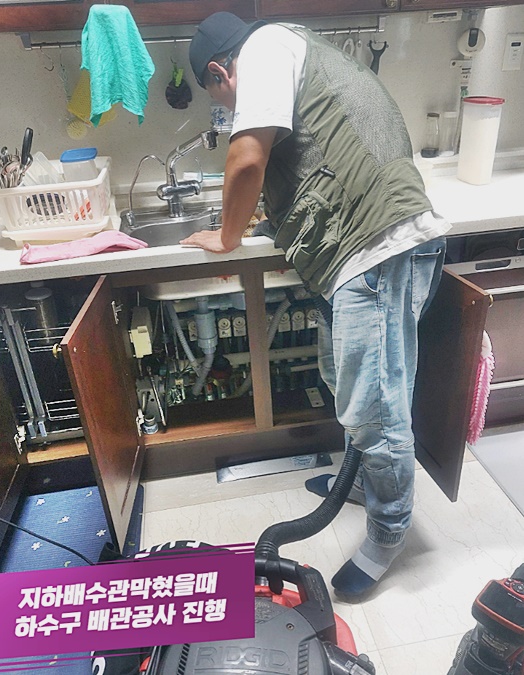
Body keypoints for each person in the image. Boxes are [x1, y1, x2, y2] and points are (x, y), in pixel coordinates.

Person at [183, 12, 450, 599]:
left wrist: (227, 236)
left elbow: (247, 159)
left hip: (376, 247)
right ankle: (360, 483)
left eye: (218, 98)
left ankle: (388, 533)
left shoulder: (263, 50)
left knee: (374, 409)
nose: (226, 109)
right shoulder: (291, 45)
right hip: (368, 248)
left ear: (219, 72)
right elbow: (307, 156)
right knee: (343, 379)